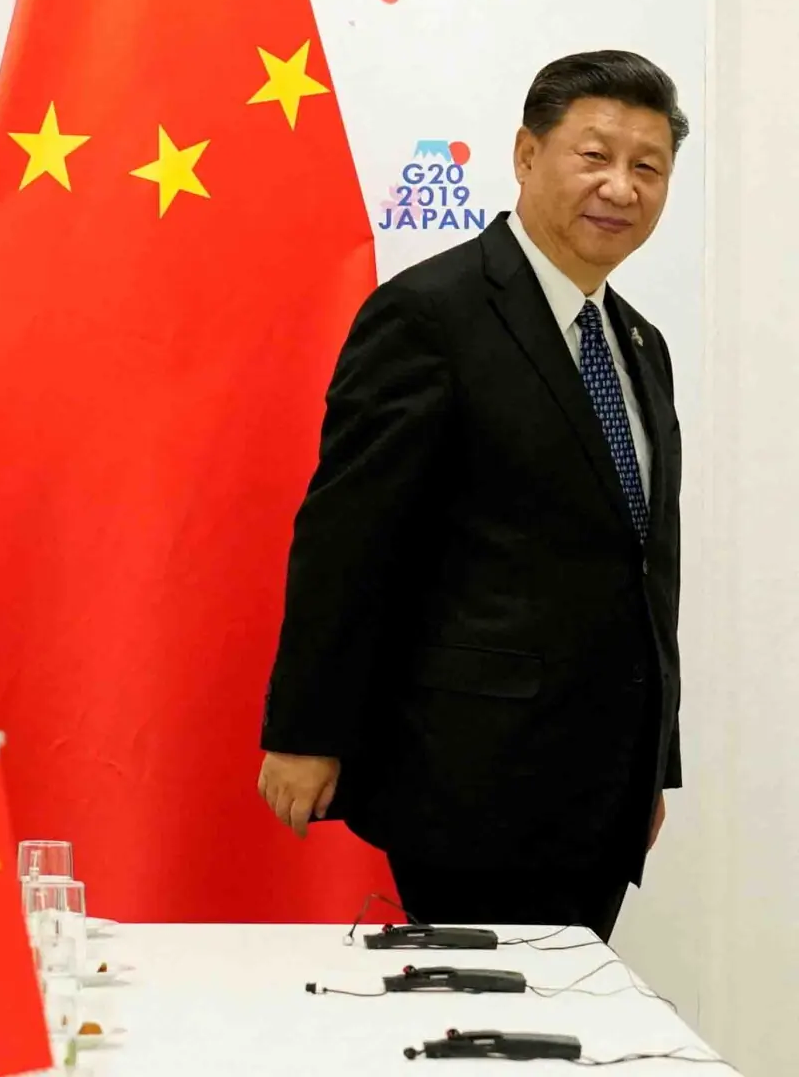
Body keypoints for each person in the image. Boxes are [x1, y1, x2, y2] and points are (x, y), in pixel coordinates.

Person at [256, 50, 687, 941]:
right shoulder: (431, 315)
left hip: (604, 787)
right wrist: (306, 731)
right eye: (594, 155)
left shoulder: (639, 343)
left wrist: (653, 765)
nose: (621, 187)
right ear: (527, 157)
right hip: (468, 774)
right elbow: (348, 539)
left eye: (648, 167)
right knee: (488, 1036)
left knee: (565, 1031)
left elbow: (644, 566)